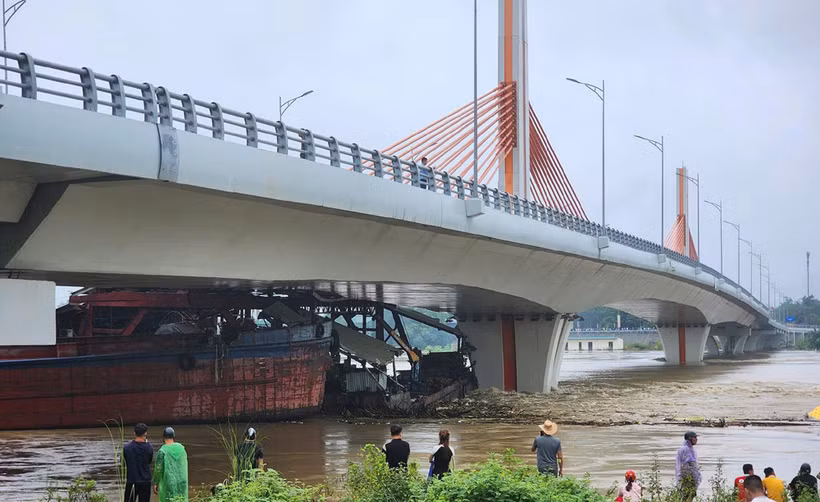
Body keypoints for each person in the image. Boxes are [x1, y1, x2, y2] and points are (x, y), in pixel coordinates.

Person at [153, 427, 189, 502]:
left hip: (169, 482)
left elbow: (158, 469)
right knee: (181, 498)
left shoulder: (162, 451)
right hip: (182, 480)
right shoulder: (182, 449)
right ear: (173, 436)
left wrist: (156, 482)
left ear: (163, 437)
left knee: (168, 499)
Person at [123, 423, 153, 502]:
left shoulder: (127, 447)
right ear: (145, 433)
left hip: (132, 480)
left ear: (134, 433)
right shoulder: (149, 447)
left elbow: (125, 461)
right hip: (145, 481)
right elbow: (149, 461)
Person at [675, 431, 701, 502]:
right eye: (694, 437)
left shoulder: (691, 449)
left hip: (690, 478)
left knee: (690, 495)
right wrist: (690, 478)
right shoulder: (685, 449)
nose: (696, 439)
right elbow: (685, 466)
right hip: (687, 478)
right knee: (687, 495)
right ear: (689, 438)